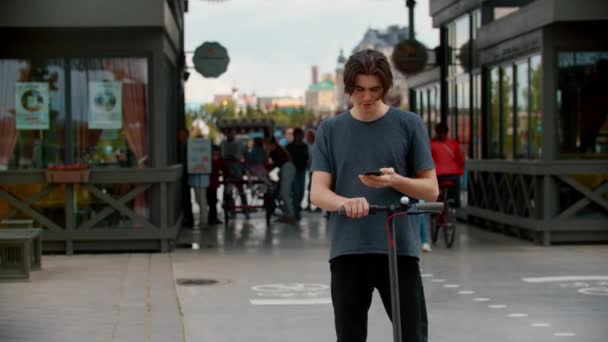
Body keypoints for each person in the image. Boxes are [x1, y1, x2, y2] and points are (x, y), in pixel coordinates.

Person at [310, 49, 438, 342]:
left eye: (374, 90)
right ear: (349, 88)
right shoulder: (330, 130)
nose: (366, 97)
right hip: (348, 250)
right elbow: (318, 192)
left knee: (412, 335)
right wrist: (346, 202)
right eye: (359, 90)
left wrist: (397, 180)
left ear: (386, 87)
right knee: (350, 336)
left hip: (399, 248)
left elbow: (430, 189)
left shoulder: (409, 124)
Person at [430, 122, 464, 208]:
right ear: (447, 132)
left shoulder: (431, 144)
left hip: (438, 175)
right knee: (455, 191)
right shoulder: (454, 144)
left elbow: (428, 160)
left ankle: (435, 211)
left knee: (435, 193)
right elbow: (460, 160)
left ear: (436, 132)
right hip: (453, 174)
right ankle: (455, 206)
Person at [267, 137, 297, 224]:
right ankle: (287, 215)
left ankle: (291, 215)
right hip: (285, 169)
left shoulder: (276, 151)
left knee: (284, 193)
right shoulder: (277, 150)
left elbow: (275, 164)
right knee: (280, 194)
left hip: (287, 169)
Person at [286, 127, 309, 220]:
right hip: (293, 170)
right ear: (295, 135)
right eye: (298, 135)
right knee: (296, 191)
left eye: (300, 135)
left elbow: (307, 157)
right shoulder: (289, 146)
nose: (299, 136)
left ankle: (297, 207)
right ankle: (295, 211)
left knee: (302, 191)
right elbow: (287, 158)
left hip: (302, 170)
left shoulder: (304, 146)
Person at [178, 128, 194, 229]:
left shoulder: (188, 146)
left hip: (186, 175)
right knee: (185, 198)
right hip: (184, 175)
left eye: (182, 135)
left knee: (186, 198)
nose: (180, 137)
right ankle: (188, 218)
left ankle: (189, 219)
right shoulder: (182, 146)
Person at [206, 144, 222, 225]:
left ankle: (212, 218)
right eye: (215, 153)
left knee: (213, 201)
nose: (216, 155)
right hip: (210, 184)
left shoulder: (217, 160)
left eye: (217, 154)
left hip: (213, 184)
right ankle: (211, 218)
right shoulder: (210, 161)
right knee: (212, 201)